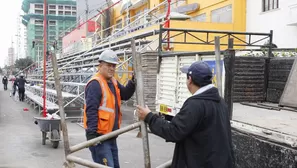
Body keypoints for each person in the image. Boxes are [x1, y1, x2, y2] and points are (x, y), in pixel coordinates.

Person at [137, 61, 234, 168]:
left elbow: (173, 131)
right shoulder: (220, 102)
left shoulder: (195, 105)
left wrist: (149, 117)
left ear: (190, 80)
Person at [83, 49, 135, 167]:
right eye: (108, 65)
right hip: (100, 138)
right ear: (100, 65)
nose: (112, 68)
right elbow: (91, 110)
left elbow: (125, 95)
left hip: (110, 136)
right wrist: (91, 136)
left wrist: (133, 82)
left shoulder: (113, 81)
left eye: (113, 66)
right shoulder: (95, 84)